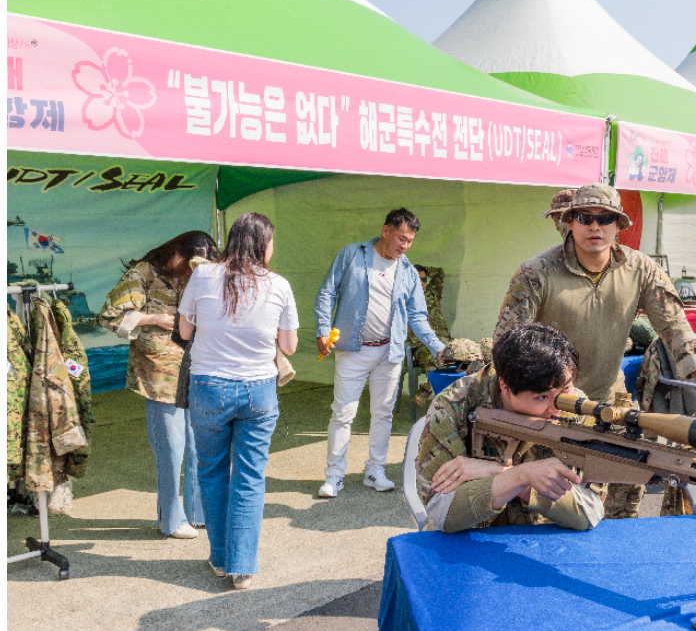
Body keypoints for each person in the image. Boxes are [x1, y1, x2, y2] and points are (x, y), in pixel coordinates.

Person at [377, 323, 613, 631]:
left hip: (534, 536)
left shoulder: (570, 404)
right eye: (542, 398)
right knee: (421, 595)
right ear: (506, 386)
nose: (556, 407)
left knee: (568, 605)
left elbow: (589, 510)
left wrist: (495, 474)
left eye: (562, 389)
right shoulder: (455, 405)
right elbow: (443, 514)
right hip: (462, 539)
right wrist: (517, 475)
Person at [494, 184, 696, 519]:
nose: (595, 226)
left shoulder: (640, 269)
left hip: (612, 408)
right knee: (548, 516)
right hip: (550, 413)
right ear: (570, 221)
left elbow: (675, 328)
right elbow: (506, 347)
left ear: (619, 225)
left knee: (621, 513)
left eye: (605, 218)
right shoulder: (536, 273)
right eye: (585, 217)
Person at [178, 212, 298, 591]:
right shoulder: (278, 285)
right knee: (250, 477)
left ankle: (219, 557)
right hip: (259, 390)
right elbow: (289, 346)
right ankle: (242, 567)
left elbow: (184, 330)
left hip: (209, 386)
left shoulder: (202, 276)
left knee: (212, 472)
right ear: (262, 244)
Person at [314, 208, 445, 498]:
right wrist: (323, 329)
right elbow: (326, 292)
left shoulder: (408, 271)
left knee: (383, 414)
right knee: (343, 413)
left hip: (389, 352)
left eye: (410, 241)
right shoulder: (351, 254)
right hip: (352, 350)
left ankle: (375, 470)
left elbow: (418, 316)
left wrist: (441, 349)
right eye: (401, 238)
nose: (405, 245)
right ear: (385, 230)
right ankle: (334, 476)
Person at [100, 231, 218, 539]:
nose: (194, 269)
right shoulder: (144, 272)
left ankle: (197, 513)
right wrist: (151, 318)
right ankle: (171, 519)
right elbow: (109, 314)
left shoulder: (200, 272)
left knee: (198, 444)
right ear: (177, 254)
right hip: (159, 371)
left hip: (195, 365)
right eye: (190, 263)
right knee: (171, 448)